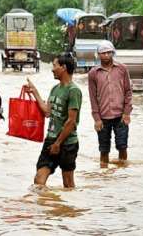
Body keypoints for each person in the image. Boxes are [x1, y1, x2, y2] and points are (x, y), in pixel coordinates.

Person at [25, 53, 82, 188]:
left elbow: (71, 121)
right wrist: (35, 92)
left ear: (63, 67)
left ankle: (66, 209)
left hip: (67, 143)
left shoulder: (74, 91)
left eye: (54, 66)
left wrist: (58, 143)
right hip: (51, 139)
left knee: (68, 183)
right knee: (39, 179)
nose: (52, 69)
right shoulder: (55, 89)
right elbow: (47, 112)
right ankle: (44, 207)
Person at [88, 40, 132, 168]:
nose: (106, 55)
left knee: (122, 146)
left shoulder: (122, 69)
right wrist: (96, 119)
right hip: (103, 117)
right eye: (103, 53)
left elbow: (128, 91)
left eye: (108, 53)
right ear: (98, 55)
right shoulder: (93, 73)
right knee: (103, 149)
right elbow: (93, 98)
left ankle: (122, 175)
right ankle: (104, 175)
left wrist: (127, 112)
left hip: (121, 116)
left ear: (113, 53)